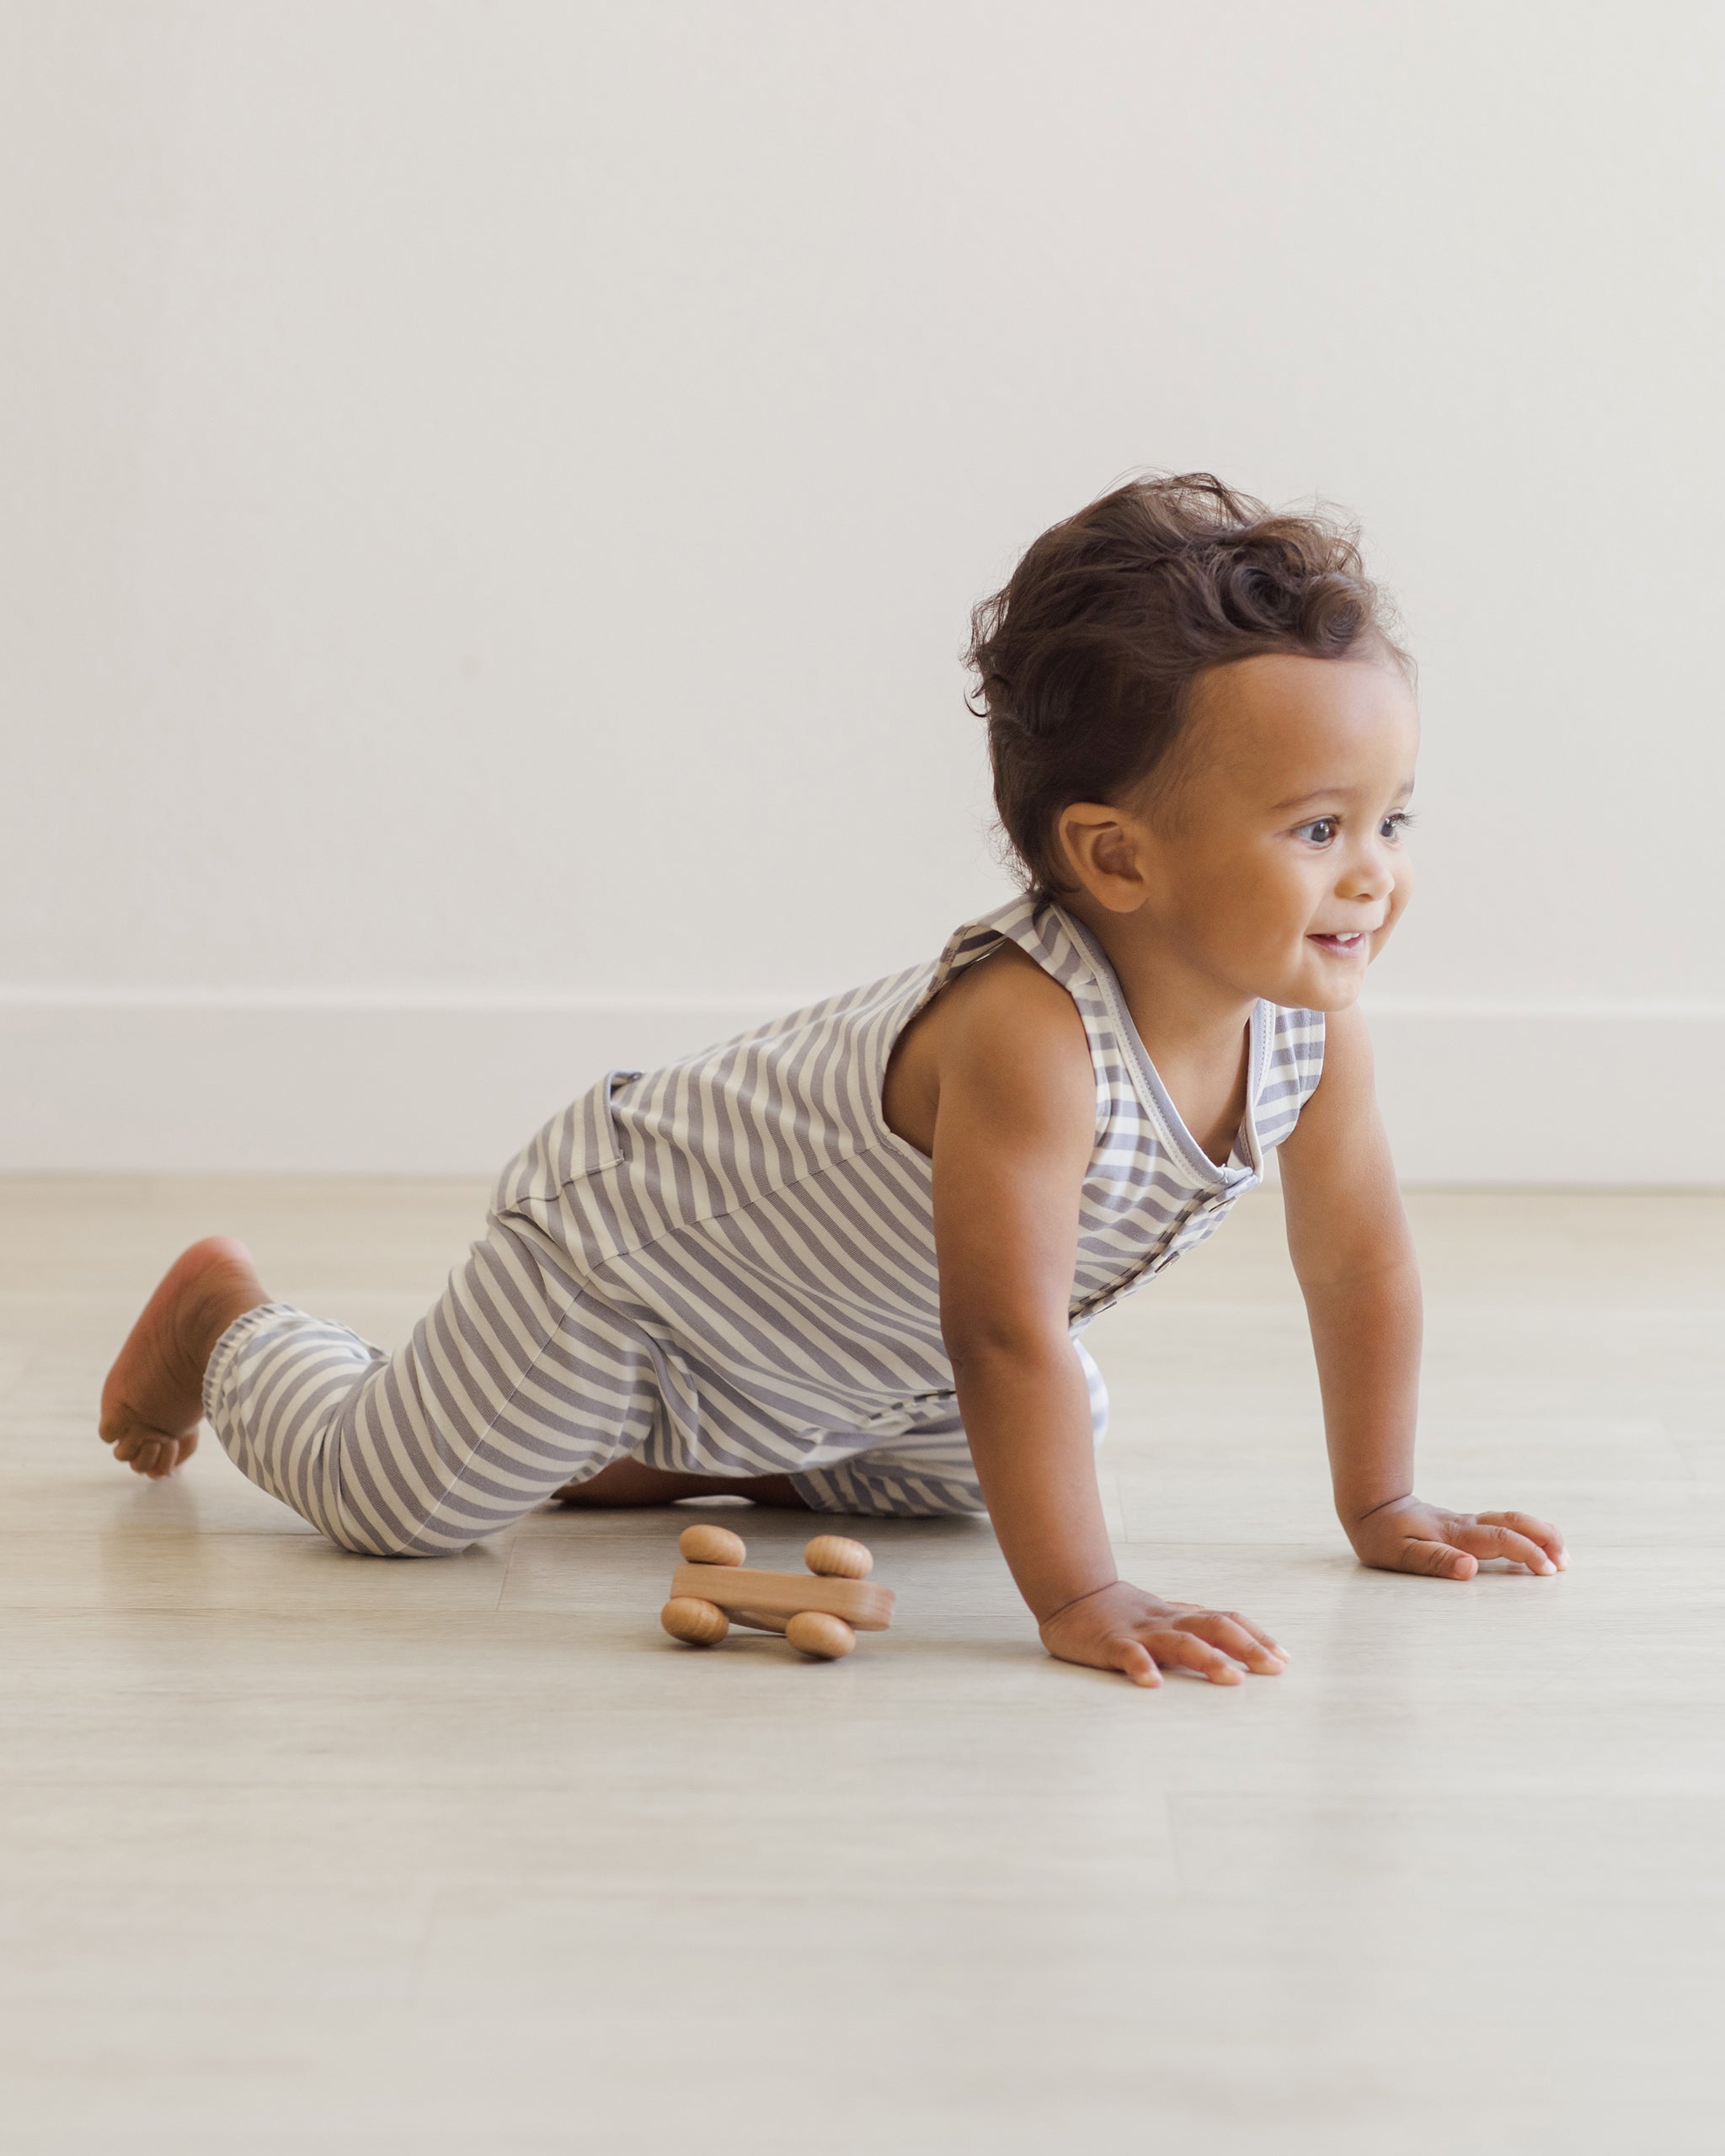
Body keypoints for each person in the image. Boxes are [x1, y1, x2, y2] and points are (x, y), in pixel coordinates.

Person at [98, 473, 1567, 1687]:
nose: (1376, 875)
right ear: (1116, 856)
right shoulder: (1028, 1035)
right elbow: (1001, 1336)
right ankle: (232, 1323)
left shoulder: (1308, 1026)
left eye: (1394, 817)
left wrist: (1379, 1502)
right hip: (632, 1267)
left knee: (1034, 1449)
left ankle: (663, 1449)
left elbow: (1358, 1257)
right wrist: (1083, 1596)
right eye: (1320, 829)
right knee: (402, 1503)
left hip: (844, 1345)